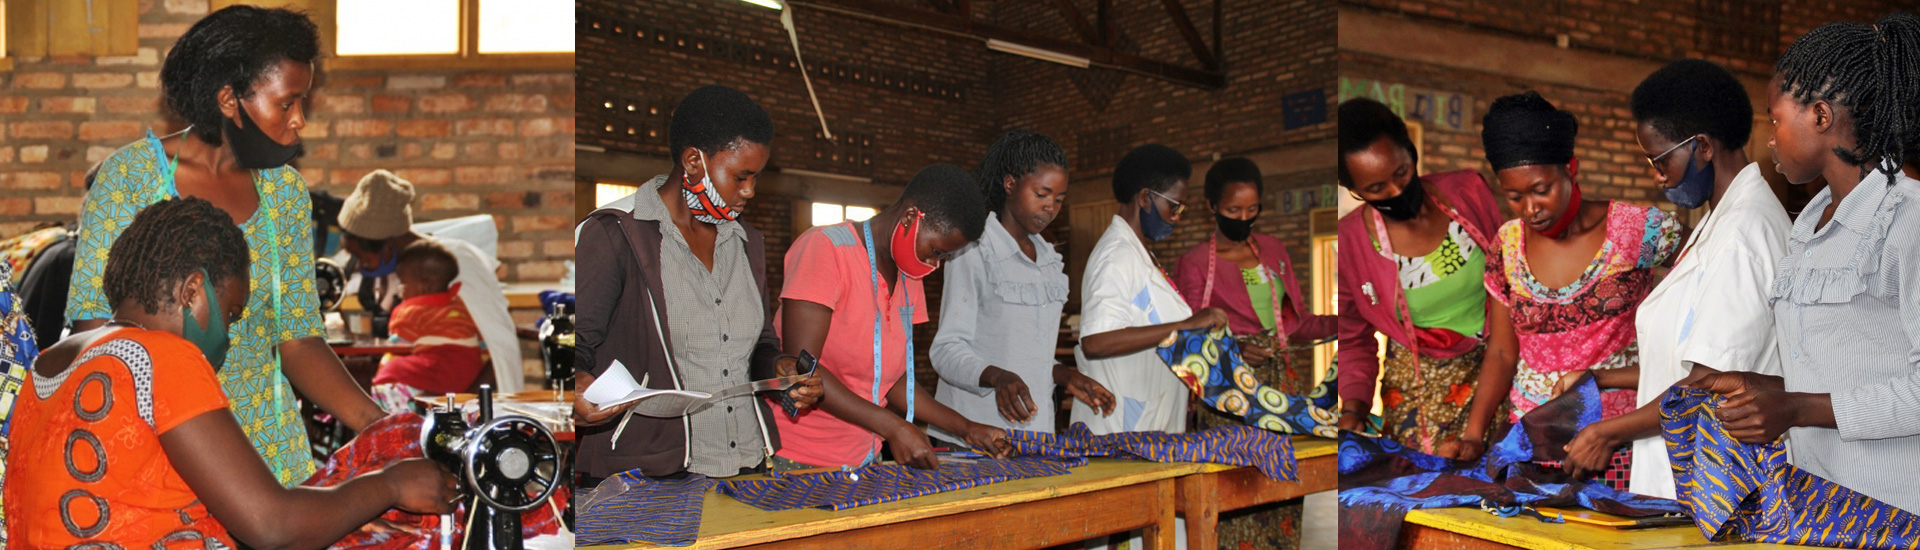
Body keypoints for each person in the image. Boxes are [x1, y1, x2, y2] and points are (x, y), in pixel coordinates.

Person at [7, 197, 457, 548]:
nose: (231, 332)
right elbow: (273, 526)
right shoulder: (161, 356)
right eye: (232, 311)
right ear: (191, 290)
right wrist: (391, 484)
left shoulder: (52, 362)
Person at [64, 6, 383, 485]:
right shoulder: (131, 178)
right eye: (287, 103)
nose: (299, 121)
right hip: (162, 445)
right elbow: (95, 328)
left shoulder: (284, 195)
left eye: (304, 103)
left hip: (269, 450)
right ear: (229, 100)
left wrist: (383, 427)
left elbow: (298, 339)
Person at [1688, 12, 1920, 513]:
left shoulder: (1909, 220)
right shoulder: (1809, 226)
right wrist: (1765, 389)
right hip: (1821, 506)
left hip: (1898, 510)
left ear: (1819, 115)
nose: (1769, 138)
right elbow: (1849, 367)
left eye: (1775, 118)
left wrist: (1798, 407)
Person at [1559, 59, 1790, 496]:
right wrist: (1600, 378)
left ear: (1702, 146)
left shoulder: (1744, 235)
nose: (1657, 175)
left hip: (1721, 484)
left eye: (1661, 159)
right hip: (1688, 474)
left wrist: (1609, 432)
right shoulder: (1716, 223)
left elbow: (1708, 382)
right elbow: (1681, 360)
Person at [572, 85, 822, 482]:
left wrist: (780, 369)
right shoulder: (615, 234)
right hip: (650, 474)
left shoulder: (745, 242)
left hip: (745, 465)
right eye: (741, 176)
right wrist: (576, 387)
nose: (749, 192)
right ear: (693, 161)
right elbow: (573, 348)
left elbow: (756, 345)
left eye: (756, 178)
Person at [1476, 91, 1683, 487]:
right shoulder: (1505, 244)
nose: (1530, 208)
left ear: (1571, 169)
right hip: (1531, 439)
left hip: (1620, 439)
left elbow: (1709, 273)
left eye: (1541, 189)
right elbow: (1502, 351)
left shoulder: (1636, 229)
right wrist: (1474, 434)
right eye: (1514, 196)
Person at [775, 164, 1012, 470]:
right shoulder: (827, 248)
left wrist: (967, 429)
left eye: (942, 258)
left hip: (864, 457)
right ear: (910, 217)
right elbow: (802, 369)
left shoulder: (909, 273)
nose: (934, 264)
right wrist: (894, 427)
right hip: (800, 458)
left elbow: (893, 379)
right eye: (935, 251)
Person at [1335, 98, 1516, 458]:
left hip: (1503, 363)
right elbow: (1354, 339)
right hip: (1419, 392)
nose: (1396, 191)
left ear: (1411, 150)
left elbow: (1512, 273)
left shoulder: (1467, 190)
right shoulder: (1352, 242)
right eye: (1375, 189)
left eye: (1401, 172)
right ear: (1355, 191)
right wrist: (1353, 406)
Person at [931, 130, 1113, 438]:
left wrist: (1064, 375)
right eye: (1041, 195)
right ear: (1010, 184)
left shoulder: (1048, 261)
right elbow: (946, 350)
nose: (1050, 208)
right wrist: (996, 377)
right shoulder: (975, 249)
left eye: (1058, 199)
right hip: (975, 432)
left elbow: (1026, 351)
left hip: (1033, 431)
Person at [1074, 144, 1228, 435]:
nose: (1177, 217)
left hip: (1151, 422)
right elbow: (1095, 342)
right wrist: (1185, 325)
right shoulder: (1116, 256)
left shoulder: (1139, 254)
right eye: (1174, 206)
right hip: (1122, 427)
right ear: (1145, 197)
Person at [337, 169, 523, 393]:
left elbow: (500, 349)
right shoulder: (399, 269)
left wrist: (460, 408)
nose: (358, 265)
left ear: (388, 245)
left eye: (362, 258)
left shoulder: (457, 262)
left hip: (473, 401)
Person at [1174, 158, 1335, 397]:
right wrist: (1235, 348)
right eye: (1233, 210)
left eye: (1252, 209)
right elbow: (1188, 336)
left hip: (1283, 384)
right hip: (1230, 386)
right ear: (1212, 206)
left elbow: (1296, 323)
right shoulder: (1195, 263)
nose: (1243, 218)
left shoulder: (1274, 250)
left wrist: (1341, 323)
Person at [367, 240, 486, 413]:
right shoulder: (460, 304)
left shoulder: (411, 310)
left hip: (436, 371)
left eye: (403, 283)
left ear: (425, 285)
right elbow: (481, 343)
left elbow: (399, 346)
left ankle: (394, 414)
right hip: (468, 373)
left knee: (392, 367)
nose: (399, 290)